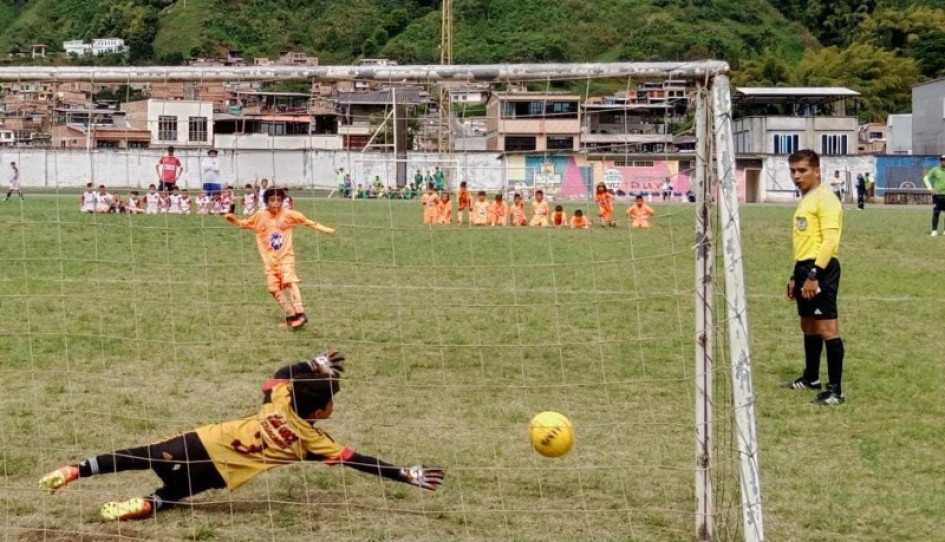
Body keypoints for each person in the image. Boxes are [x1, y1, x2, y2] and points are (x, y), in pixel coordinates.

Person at [38, 351, 444, 521]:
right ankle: (143, 504)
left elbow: (279, 374)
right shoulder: (312, 443)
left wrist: (313, 362)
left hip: (200, 441)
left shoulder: (279, 401)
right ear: (321, 412)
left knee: (135, 455)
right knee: (177, 493)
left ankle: (75, 470)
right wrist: (405, 474)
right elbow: (358, 461)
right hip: (223, 473)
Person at [782, 149, 846, 406]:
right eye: (792, 171)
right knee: (807, 324)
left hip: (821, 269)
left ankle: (835, 391)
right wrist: (795, 276)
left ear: (817, 171)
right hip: (804, 268)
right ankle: (811, 378)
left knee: (827, 328)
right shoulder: (807, 198)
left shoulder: (826, 198)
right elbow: (807, 241)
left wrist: (813, 275)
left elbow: (829, 241)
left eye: (802, 170)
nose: (796, 176)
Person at [225, 188, 335, 329]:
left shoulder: (289, 214)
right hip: (270, 260)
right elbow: (245, 224)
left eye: (279, 200)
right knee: (273, 288)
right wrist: (232, 218)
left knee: (290, 282)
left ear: (283, 201)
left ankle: (301, 313)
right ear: (266, 202)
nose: (275, 203)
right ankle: (291, 315)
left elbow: (307, 222)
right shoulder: (260, 216)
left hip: (286, 257)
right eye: (272, 200)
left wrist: (326, 229)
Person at [924, 155, 945, 236]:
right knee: (936, 212)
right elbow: (926, 178)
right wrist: (930, 188)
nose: (944, 161)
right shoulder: (935, 170)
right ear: (940, 161)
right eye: (942, 160)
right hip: (937, 196)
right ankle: (934, 231)